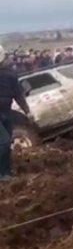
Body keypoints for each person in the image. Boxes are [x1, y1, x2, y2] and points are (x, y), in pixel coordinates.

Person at [0, 45, 32, 180]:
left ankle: (6, 170)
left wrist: (27, 111)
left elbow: (18, 94)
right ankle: (2, 173)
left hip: (7, 112)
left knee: (6, 143)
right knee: (5, 142)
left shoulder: (10, 75)